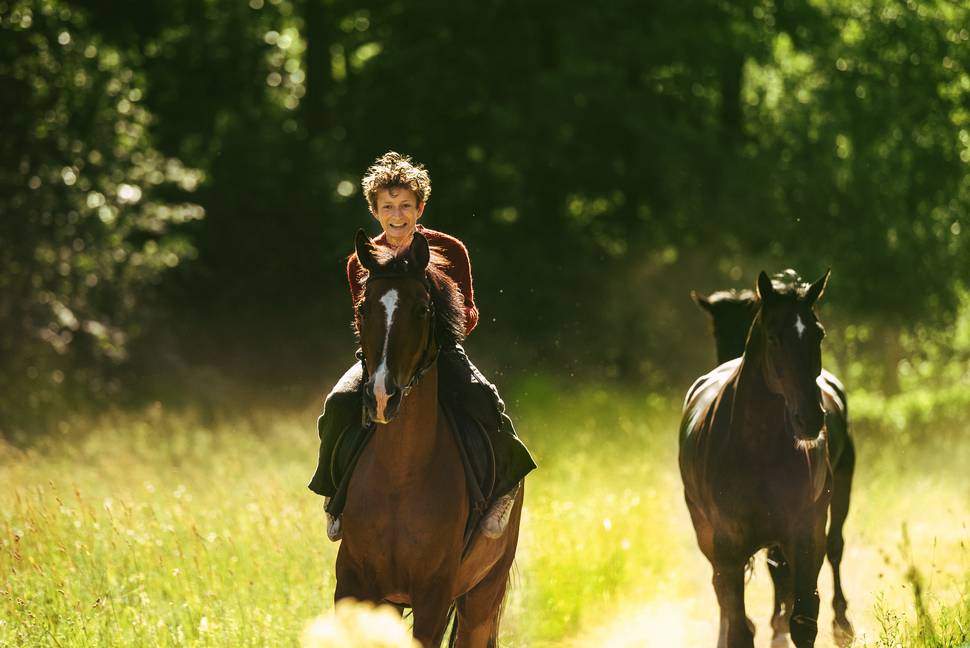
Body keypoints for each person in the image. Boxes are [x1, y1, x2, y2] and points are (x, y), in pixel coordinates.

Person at [308, 151, 536, 541]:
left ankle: (506, 485)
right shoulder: (359, 262)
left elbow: (469, 311)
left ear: (420, 207)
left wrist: (436, 328)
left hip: (439, 352)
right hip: (381, 357)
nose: (397, 215)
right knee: (337, 404)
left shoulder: (450, 250)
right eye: (387, 207)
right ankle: (335, 497)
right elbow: (365, 320)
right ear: (374, 210)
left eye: (405, 206)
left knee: (483, 397)